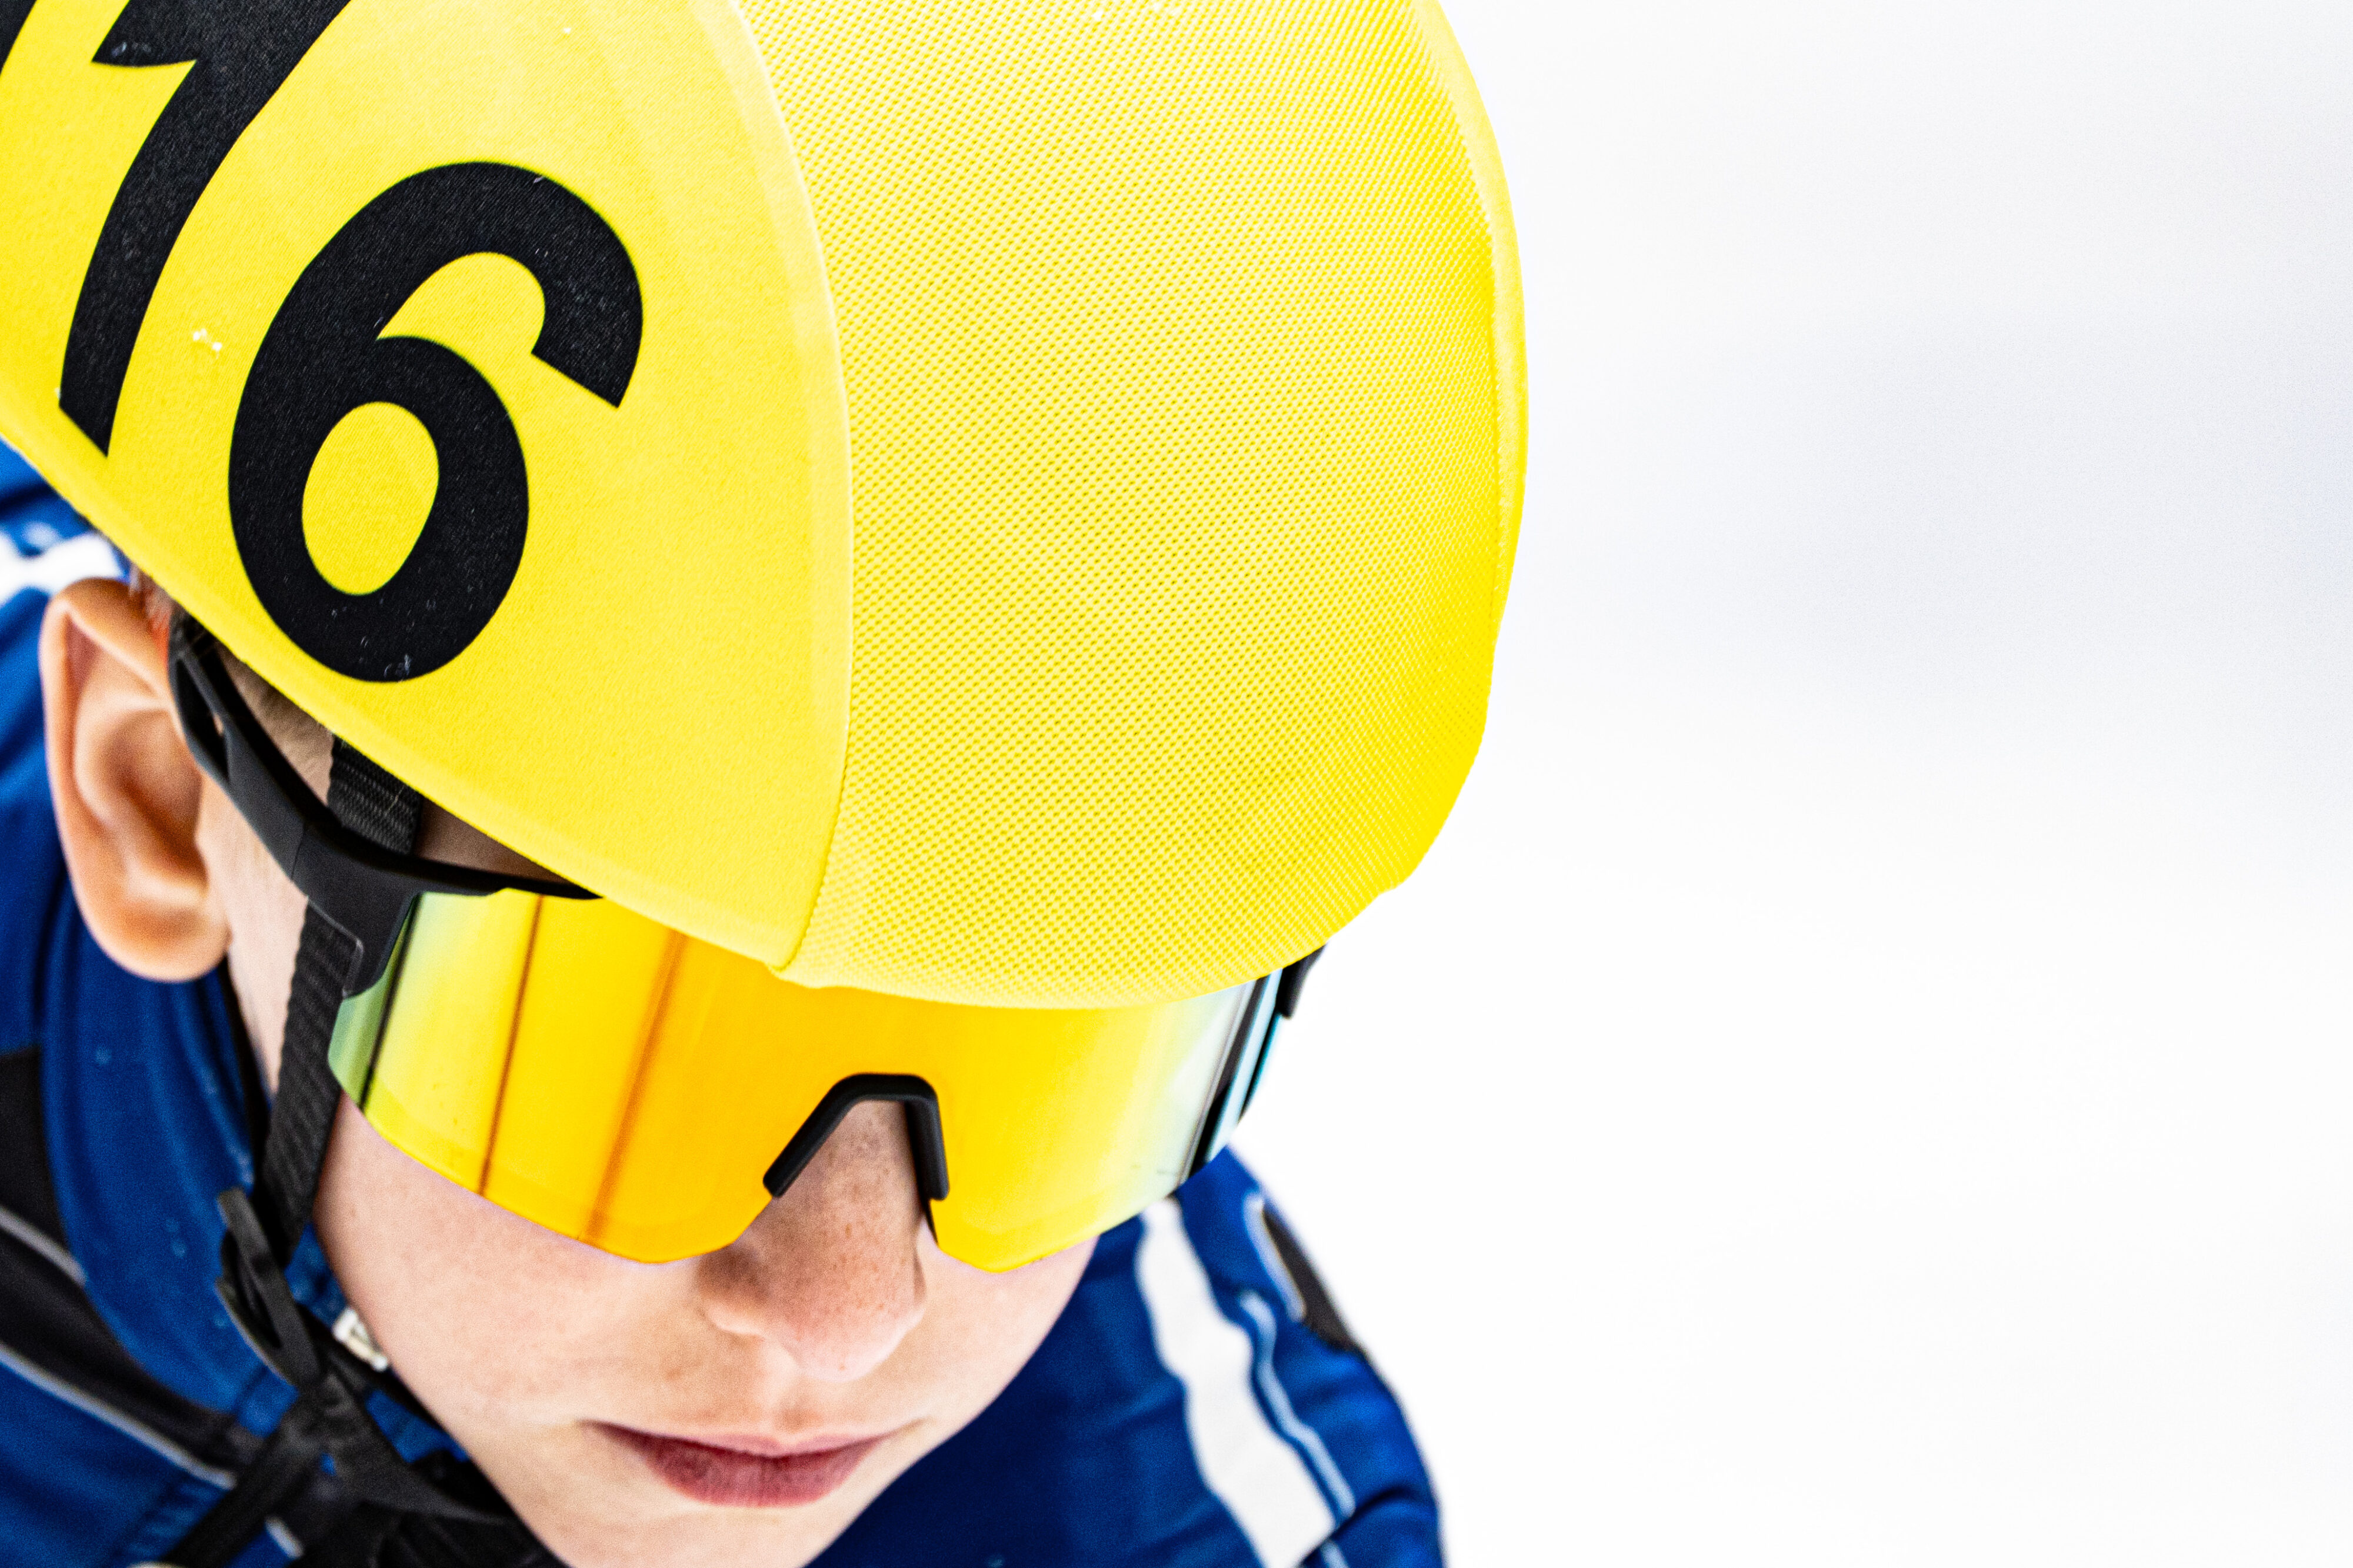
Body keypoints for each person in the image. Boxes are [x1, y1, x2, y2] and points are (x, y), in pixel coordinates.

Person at [0, 2, 1521, 1564]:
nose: (842, 1315)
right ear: (158, 795)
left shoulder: (1183, 1525)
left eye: (1050, 1066)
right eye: (634, 1060)